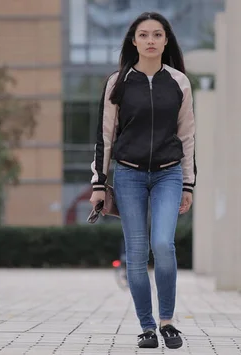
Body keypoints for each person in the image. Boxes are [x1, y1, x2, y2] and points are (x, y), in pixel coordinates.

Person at [89, 11, 196, 349]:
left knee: (163, 245)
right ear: (133, 41)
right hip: (129, 174)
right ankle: (147, 327)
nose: (151, 40)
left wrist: (189, 183)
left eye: (157, 35)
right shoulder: (117, 82)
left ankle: (167, 321)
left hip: (168, 173)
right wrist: (98, 183)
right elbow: (105, 135)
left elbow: (188, 135)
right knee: (136, 253)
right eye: (144, 35)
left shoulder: (178, 82)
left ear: (166, 41)